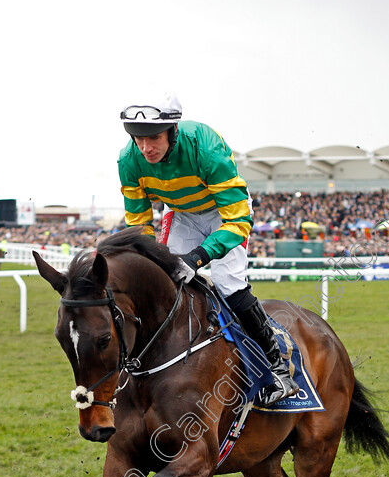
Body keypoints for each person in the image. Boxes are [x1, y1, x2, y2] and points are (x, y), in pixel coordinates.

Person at [118, 90, 299, 405]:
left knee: (229, 284)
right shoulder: (128, 160)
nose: (146, 147)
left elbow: (239, 221)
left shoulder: (205, 147)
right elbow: (139, 225)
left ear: (173, 131)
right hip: (182, 215)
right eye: (138, 139)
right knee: (159, 280)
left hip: (224, 213)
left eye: (154, 138)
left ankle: (278, 367)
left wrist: (197, 257)